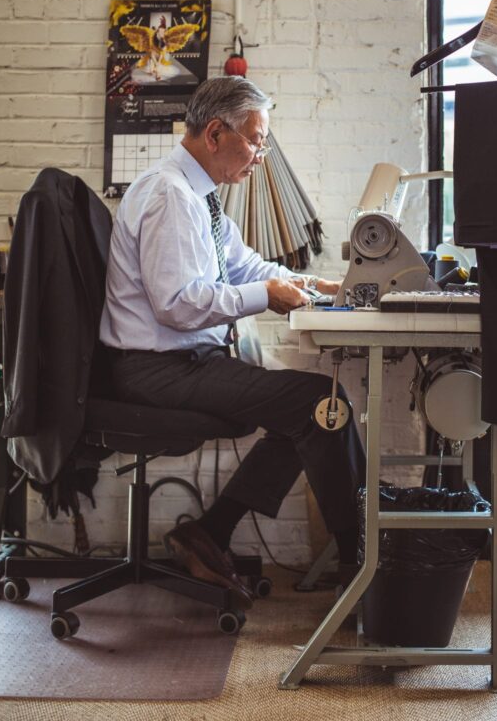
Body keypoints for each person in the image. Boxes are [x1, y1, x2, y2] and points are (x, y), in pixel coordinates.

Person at [99, 76, 366, 608]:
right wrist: (264, 297)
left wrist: (317, 285)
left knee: (315, 409)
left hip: (183, 362)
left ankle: (212, 533)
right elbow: (176, 304)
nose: (261, 157)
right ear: (216, 133)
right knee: (320, 404)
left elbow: (244, 266)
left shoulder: (199, 196)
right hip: (156, 369)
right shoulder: (169, 195)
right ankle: (360, 563)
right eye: (256, 141)